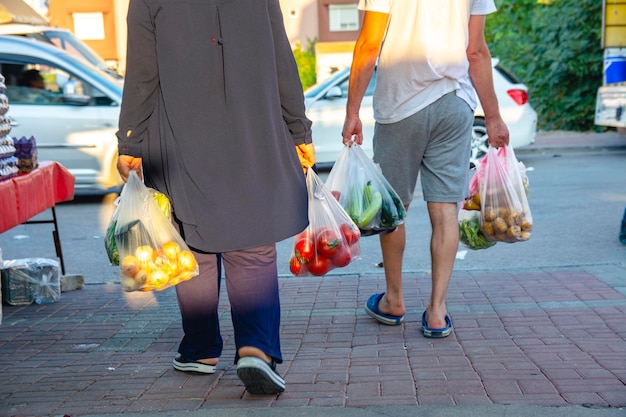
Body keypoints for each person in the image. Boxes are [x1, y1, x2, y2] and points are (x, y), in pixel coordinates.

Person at [116, 0, 316, 395]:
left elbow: (142, 73)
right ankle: (256, 350)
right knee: (252, 243)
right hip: (252, 127)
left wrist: (130, 140)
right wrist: (299, 129)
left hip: (178, 132)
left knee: (192, 243)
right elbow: (281, 58)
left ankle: (201, 350)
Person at [342, 0, 509, 338]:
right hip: (454, 103)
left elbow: (369, 44)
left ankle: (394, 300)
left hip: (401, 104)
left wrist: (352, 111)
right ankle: (437, 311)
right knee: (445, 209)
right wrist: (492, 116)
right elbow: (475, 51)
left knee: (394, 208)